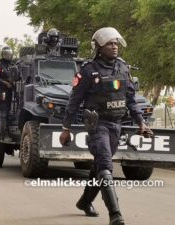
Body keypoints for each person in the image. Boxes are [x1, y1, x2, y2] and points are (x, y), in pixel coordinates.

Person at [59, 27, 153, 225]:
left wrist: (141, 123)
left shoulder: (123, 68)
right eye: (110, 43)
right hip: (97, 125)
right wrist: (66, 128)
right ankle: (115, 215)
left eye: (116, 43)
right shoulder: (87, 71)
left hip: (116, 125)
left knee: (100, 167)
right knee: (106, 165)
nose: (114, 46)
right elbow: (74, 101)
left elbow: (130, 99)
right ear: (99, 47)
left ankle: (84, 202)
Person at [0, 46, 14, 142]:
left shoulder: (12, 65)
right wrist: (6, 83)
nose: (8, 56)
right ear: (3, 54)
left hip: (10, 91)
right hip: (2, 91)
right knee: (4, 113)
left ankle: (8, 133)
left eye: (9, 54)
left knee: (9, 113)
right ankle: (4, 135)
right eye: (6, 54)